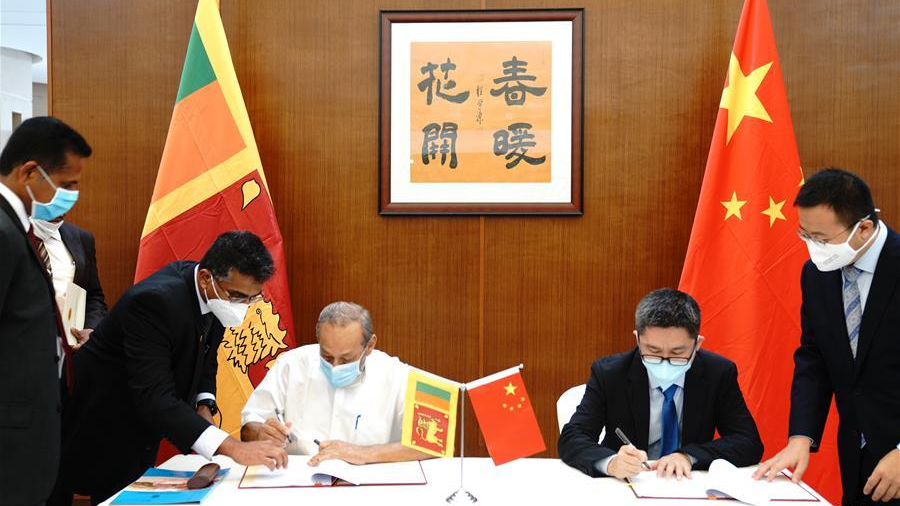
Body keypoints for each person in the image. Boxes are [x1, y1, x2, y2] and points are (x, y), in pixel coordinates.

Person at [51, 231, 288, 505]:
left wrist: (204, 403)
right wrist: (232, 448)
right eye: (237, 296)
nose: (243, 306)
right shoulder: (154, 302)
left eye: (251, 298)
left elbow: (207, 357)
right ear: (206, 278)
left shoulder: (215, 295)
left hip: (140, 430)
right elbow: (155, 397)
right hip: (97, 424)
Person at [754, 168, 900, 505]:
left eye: (820, 238)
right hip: (859, 457)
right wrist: (801, 436)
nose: (813, 247)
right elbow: (815, 356)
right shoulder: (816, 274)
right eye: (805, 234)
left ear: (864, 228)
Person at [559, 288, 763, 480]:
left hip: (687, 483)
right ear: (638, 340)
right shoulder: (610, 373)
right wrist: (611, 463)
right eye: (653, 351)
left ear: (697, 344)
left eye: (677, 353)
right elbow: (573, 437)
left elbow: (748, 441)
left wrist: (689, 456)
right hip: (627, 484)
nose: (665, 362)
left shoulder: (718, 373)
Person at [0, 116, 91, 506]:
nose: (73, 194)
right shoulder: (3, 231)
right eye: (66, 184)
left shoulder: (16, 228)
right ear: (29, 172)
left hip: (32, 428)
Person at [241, 301, 429, 465]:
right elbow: (249, 428)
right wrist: (261, 434)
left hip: (369, 484)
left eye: (346, 359)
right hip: (298, 481)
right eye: (327, 357)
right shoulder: (291, 364)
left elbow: (435, 441)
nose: (335, 367)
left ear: (370, 346)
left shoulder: (395, 373)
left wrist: (362, 453)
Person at [30, 216, 109, 350]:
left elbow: (93, 296)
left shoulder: (82, 238)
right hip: (20, 347)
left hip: (69, 349)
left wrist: (91, 329)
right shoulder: (9, 234)